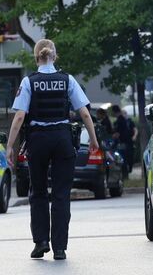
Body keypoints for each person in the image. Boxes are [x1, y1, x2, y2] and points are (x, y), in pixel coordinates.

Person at [6, 39, 98, 260]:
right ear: (54, 57)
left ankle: (41, 242)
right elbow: (84, 113)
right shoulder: (67, 80)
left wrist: (10, 146)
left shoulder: (29, 81)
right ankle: (59, 247)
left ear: (36, 57)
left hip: (37, 140)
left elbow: (19, 116)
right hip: (62, 139)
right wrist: (93, 139)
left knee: (37, 192)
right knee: (60, 194)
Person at [112, 104, 135, 175]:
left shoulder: (120, 120)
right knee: (124, 158)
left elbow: (119, 132)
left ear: (115, 112)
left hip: (123, 142)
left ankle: (125, 174)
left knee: (122, 158)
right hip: (125, 141)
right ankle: (125, 173)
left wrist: (112, 137)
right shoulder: (122, 119)